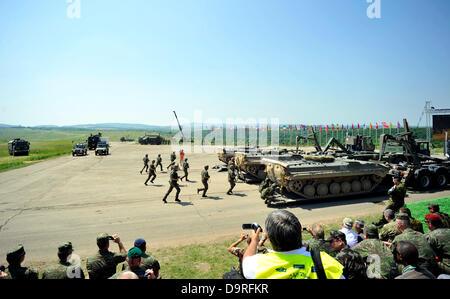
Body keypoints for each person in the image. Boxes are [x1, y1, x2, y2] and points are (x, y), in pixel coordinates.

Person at [242, 210, 345, 279]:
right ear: (300, 233)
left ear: (268, 238)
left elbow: (246, 259)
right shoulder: (326, 263)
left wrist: (255, 240)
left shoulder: (256, 265)